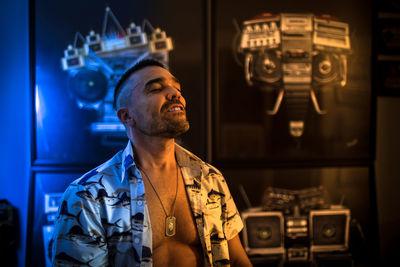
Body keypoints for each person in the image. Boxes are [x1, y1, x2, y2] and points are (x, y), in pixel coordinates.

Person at [51, 58, 253, 267]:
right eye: (156, 89)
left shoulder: (209, 179)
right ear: (127, 116)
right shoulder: (88, 195)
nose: (175, 94)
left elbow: (237, 260)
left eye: (177, 88)